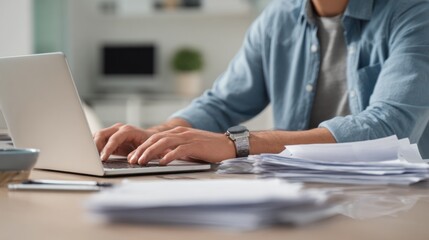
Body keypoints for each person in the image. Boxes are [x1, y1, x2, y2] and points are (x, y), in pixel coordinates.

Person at [94, 0, 429, 166]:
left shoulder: (415, 13)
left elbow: (391, 124)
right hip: (301, 194)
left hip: (397, 199)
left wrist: (238, 143)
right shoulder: (277, 19)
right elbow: (223, 103)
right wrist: (157, 136)